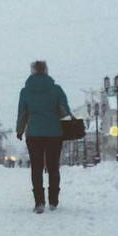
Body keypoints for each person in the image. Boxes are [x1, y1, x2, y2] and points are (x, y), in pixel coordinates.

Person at [16, 60, 71, 214]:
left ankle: (39, 202)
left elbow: (22, 113)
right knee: (53, 167)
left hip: (34, 133)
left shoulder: (25, 91)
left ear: (32, 71)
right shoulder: (56, 89)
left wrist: (20, 130)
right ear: (46, 71)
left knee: (36, 168)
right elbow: (64, 110)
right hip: (54, 133)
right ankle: (53, 201)